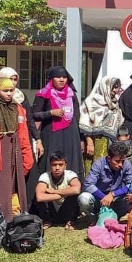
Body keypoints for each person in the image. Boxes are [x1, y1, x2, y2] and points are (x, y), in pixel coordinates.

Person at [0, 77, 35, 223]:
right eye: (5, 91)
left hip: (15, 147)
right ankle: (2, 220)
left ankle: (19, 218)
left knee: (17, 182)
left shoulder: (18, 108)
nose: (9, 94)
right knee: (1, 185)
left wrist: (27, 155)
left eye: (11, 90)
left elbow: (23, 133)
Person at [31, 67, 82, 203]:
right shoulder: (44, 94)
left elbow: (77, 115)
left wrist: (80, 137)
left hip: (71, 134)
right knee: (52, 163)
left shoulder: (71, 94)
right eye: (58, 77)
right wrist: (50, 113)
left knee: (71, 163)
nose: (61, 80)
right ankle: (48, 204)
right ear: (51, 79)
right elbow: (33, 114)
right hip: (51, 133)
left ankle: (71, 205)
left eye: (64, 77)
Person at [78, 77, 124, 175]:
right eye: (113, 88)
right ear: (105, 86)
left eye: (117, 88)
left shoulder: (114, 103)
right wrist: (89, 143)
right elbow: (85, 123)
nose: (115, 90)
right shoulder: (92, 101)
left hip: (110, 143)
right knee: (94, 168)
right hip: (95, 142)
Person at [80, 142, 132, 219]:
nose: (121, 164)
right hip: (98, 198)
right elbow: (88, 184)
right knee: (84, 198)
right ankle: (94, 218)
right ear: (109, 158)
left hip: (116, 197)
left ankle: (113, 216)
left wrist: (113, 194)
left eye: (123, 161)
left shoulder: (127, 164)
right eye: (117, 161)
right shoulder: (98, 164)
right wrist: (104, 198)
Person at [0, 67, 42, 156]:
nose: (13, 82)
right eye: (10, 79)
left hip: (23, 136)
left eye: (15, 79)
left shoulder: (21, 96)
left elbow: (29, 118)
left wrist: (38, 139)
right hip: (4, 140)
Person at [35, 152, 82, 229]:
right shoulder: (45, 176)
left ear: (65, 165)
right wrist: (65, 193)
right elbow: (39, 197)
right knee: (39, 197)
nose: (57, 168)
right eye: (54, 165)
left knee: (74, 195)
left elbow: (76, 190)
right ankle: (47, 221)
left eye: (60, 165)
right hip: (51, 210)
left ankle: (71, 221)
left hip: (66, 209)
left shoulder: (70, 174)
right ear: (50, 165)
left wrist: (54, 191)